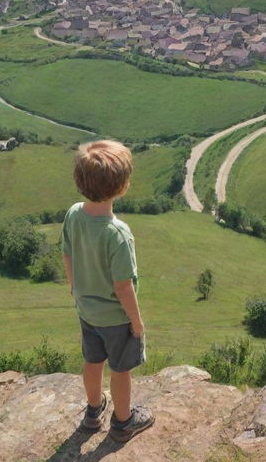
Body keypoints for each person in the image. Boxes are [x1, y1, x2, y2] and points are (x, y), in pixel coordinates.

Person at [61, 139, 155, 441]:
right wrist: (137, 323)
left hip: (86, 310)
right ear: (123, 186)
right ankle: (124, 422)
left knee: (92, 361)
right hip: (116, 318)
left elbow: (67, 253)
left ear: (80, 181)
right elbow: (123, 286)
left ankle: (92, 411)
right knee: (121, 369)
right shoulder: (118, 233)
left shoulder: (74, 214)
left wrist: (75, 287)